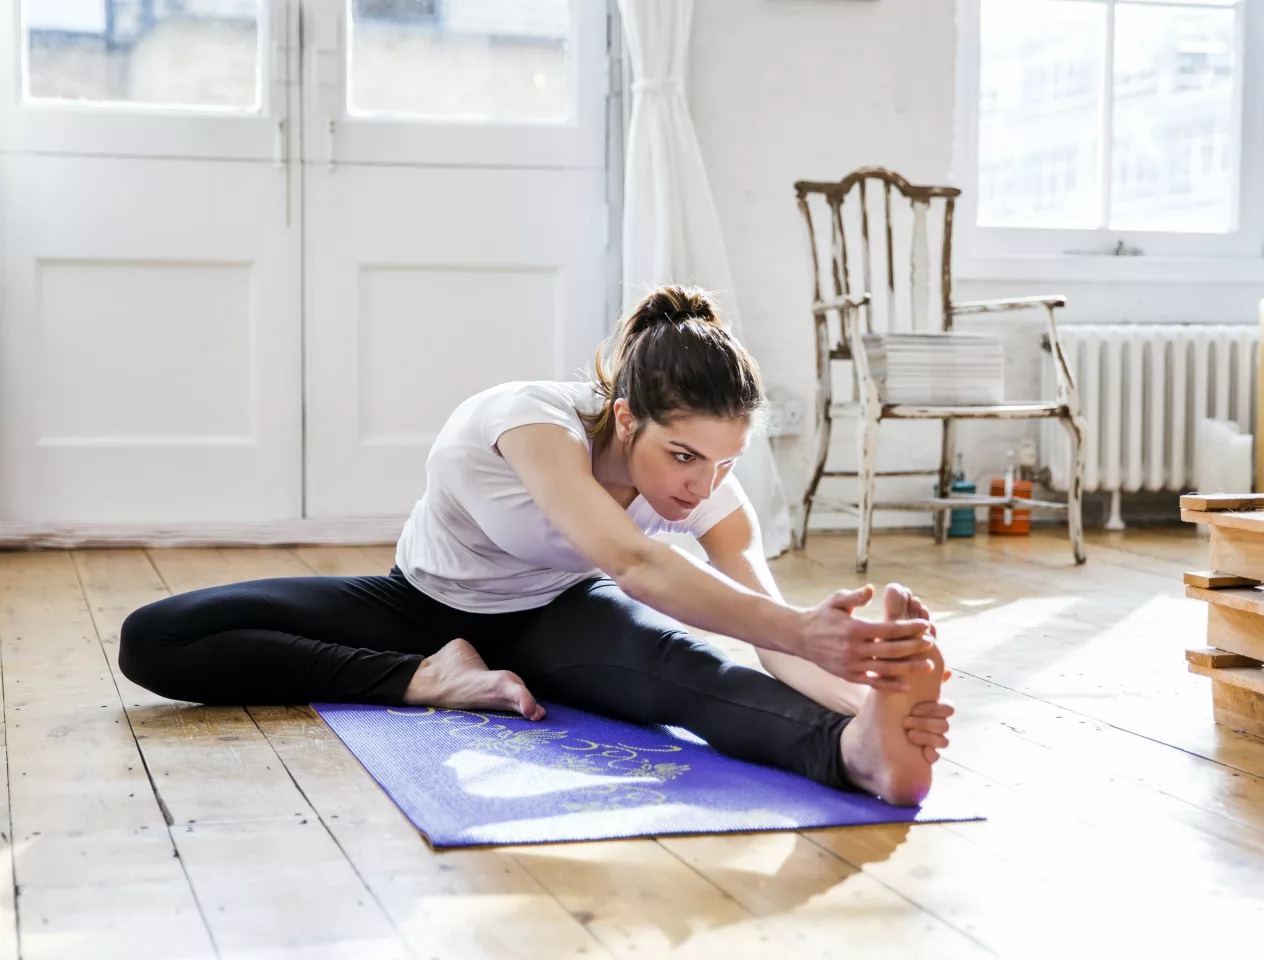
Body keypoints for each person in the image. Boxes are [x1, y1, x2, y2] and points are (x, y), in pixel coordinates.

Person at [120, 285, 952, 806]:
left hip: (554, 618)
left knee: (688, 677)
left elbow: (765, 629)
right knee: (156, 638)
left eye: (724, 463)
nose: (701, 486)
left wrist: (864, 701)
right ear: (626, 416)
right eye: (685, 457)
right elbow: (631, 560)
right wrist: (804, 628)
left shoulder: (709, 487)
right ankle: (426, 679)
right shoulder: (529, 422)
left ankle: (855, 760)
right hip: (417, 607)